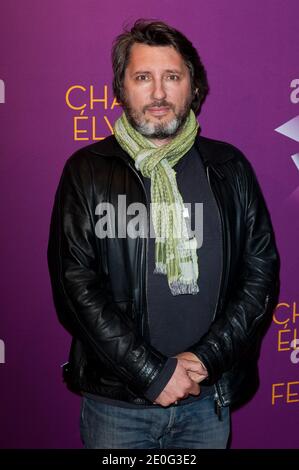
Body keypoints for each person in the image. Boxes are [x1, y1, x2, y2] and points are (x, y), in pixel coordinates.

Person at [47, 19, 280, 449]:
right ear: (121, 89)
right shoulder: (87, 171)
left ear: (194, 87)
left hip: (206, 401)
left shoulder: (229, 169)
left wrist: (206, 358)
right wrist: (152, 373)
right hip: (117, 408)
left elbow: (259, 275)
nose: (158, 93)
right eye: (143, 78)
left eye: (172, 77)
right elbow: (74, 287)